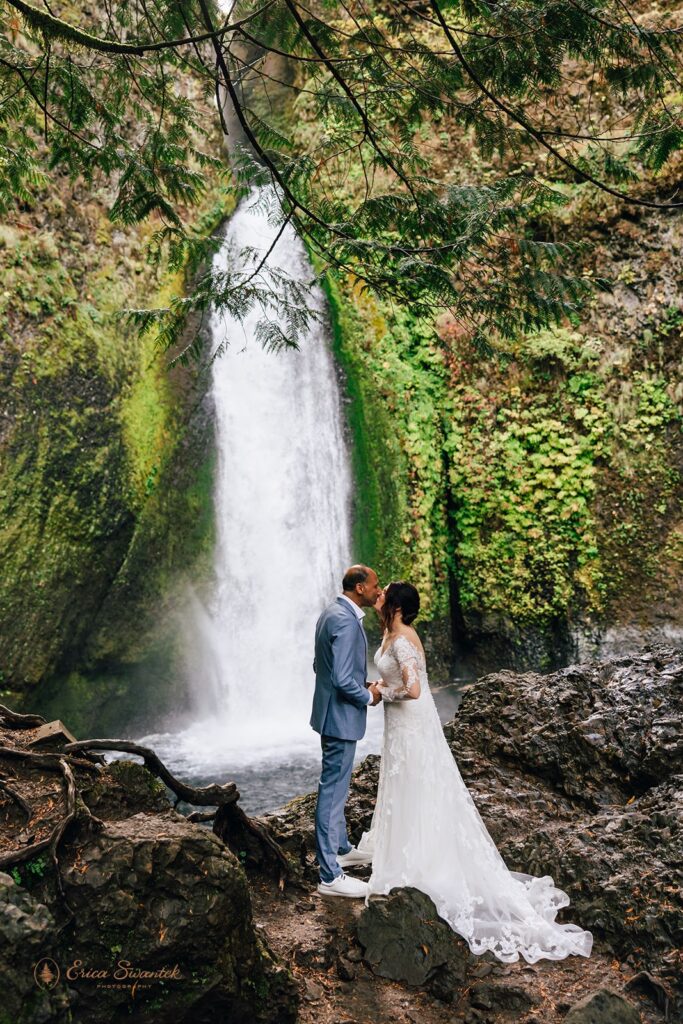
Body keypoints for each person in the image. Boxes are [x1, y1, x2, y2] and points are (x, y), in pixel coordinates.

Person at [356, 580, 593, 964]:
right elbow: (400, 678)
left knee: (418, 787)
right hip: (400, 727)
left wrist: (383, 692)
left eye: (384, 594)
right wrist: (382, 684)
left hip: (412, 721)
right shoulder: (389, 633)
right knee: (405, 787)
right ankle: (406, 854)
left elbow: (415, 691)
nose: (378, 595)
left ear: (396, 606)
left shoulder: (402, 639)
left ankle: (423, 864)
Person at [310, 564, 382, 898]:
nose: (378, 591)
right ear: (359, 588)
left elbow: (321, 666)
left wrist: (358, 680)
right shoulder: (345, 620)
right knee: (333, 792)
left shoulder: (331, 613)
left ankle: (340, 848)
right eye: (374, 585)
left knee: (337, 785)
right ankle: (329, 875)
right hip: (339, 718)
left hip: (330, 714)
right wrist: (367, 694)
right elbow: (341, 679)